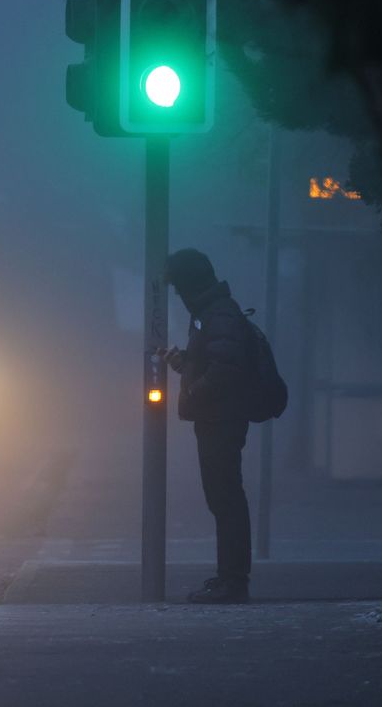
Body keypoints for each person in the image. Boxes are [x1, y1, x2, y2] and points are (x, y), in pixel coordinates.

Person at [158, 248, 252, 604]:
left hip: (221, 419)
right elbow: (217, 361)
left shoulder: (217, 315)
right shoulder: (213, 313)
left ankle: (234, 581)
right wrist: (185, 363)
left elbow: (225, 369)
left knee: (226, 498)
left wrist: (195, 391)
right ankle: (229, 577)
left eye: (179, 286)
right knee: (223, 498)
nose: (178, 295)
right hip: (218, 417)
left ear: (189, 284)